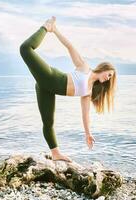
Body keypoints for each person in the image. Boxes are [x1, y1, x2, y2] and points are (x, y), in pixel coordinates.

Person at [19, 16, 117, 162]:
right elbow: (70, 46)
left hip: (46, 88)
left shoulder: (88, 93)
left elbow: (85, 115)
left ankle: (55, 153)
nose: (108, 78)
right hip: (50, 76)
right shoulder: (84, 67)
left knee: (48, 123)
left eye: (110, 79)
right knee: (25, 49)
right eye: (109, 75)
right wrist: (54, 30)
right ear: (104, 68)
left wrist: (87, 134)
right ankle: (46, 26)